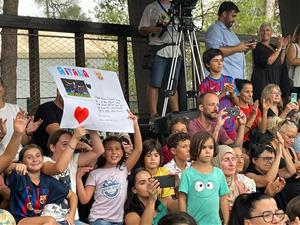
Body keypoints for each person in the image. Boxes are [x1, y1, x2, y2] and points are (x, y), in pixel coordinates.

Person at [76, 113, 142, 225]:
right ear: (103, 153)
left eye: (117, 149)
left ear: (122, 152)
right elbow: (84, 199)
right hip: (99, 220)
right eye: (109, 149)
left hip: (118, 221)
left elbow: (138, 149)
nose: (114, 152)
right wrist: (78, 178)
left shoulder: (124, 168)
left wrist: (135, 125)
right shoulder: (95, 173)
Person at [41, 127, 104, 225]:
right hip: (51, 219)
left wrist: (92, 129)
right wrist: (74, 139)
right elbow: (59, 168)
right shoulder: (44, 160)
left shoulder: (73, 160)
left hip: (72, 219)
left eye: (71, 144)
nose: (70, 147)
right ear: (52, 147)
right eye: (65, 144)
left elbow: (99, 151)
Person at [7, 144, 77, 225]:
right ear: (22, 162)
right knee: (50, 221)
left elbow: (72, 195)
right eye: (29, 157)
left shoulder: (48, 181)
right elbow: (4, 168)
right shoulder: (19, 175)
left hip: (39, 220)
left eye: (38, 156)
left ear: (43, 159)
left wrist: (71, 216)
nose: (35, 159)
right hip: (20, 220)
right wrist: (15, 166)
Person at [139, 0, 182, 120]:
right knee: (154, 82)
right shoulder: (151, 7)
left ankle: (176, 112)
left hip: (175, 49)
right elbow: (141, 29)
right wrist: (150, 29)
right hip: (159, 48)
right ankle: (153, 113)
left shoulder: (179, 7)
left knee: (173, 83)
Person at [178, 132, 229, 225]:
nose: (208, 151)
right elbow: (182, 199)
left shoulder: (219, 173)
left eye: (211, 147)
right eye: (203, 147)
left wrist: (226, 220)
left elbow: (223, 199)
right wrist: (184, 221)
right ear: (194, 149)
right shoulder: (187, 174)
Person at [205, 1, 256, 80]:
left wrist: (246, 48)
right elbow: (213, 53)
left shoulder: (231, 33)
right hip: (223, 81)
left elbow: (234, 53)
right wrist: (237, 48)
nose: (234, 20)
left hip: (236, 80)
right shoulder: (214, 29)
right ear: (224, 14)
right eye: (233, 16)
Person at [200, 48, 239, 140]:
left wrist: (233, 94)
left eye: (221, 60)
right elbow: (203, 107)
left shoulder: (229, 80)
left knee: (234, 150)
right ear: (207, 64)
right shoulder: (205, 84)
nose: (220, 63)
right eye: (216, 61)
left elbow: (237, 104)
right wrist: (222, 94)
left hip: (230, 124)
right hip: (214, 126)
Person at [0, 78, 42, 157]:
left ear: (3, 88)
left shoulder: (16, 109)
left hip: (19, 158)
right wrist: (1, 135)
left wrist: (28, 132)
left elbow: (24, 142)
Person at [251, 22, 291, 101]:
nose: (265, 32)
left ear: (271, 32)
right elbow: (269, 61)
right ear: (259, 32)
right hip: (263, 80)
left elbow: (281, 62)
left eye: (268, 30)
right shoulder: (257, 46)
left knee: (274, 104)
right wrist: (279, 48)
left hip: (274, 78)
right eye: (262, 30)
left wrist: (283, 48)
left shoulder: (273, 47)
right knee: (264, 103)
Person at [137, 139, 175, 205]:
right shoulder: (139, 175)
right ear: (143, 158)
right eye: (148, 155)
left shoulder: (165, 171)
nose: (153, 159)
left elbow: (168, 199)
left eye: (156, 155)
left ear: (160, 157)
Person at [235, 79, 268, 144]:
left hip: (255, 142)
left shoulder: (255, 108)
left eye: (252, 91)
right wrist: (253, 116)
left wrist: (265, 111)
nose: (250, 95)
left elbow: (262, 131)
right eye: (247, 92)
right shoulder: (233, 109)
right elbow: (240, 132)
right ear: (238, 92)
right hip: (241, 143)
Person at [31, 91, 64, 156]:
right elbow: (59, 136)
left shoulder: (73, 111)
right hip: (48, 156)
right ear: (59, 92)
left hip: (69, 154)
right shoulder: (46, 109)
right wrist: (82, 145)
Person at [287, 24, 300, 94]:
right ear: (297, 35)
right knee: (294, 103)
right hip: (295, 83)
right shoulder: (294, 46)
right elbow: (291, 61)